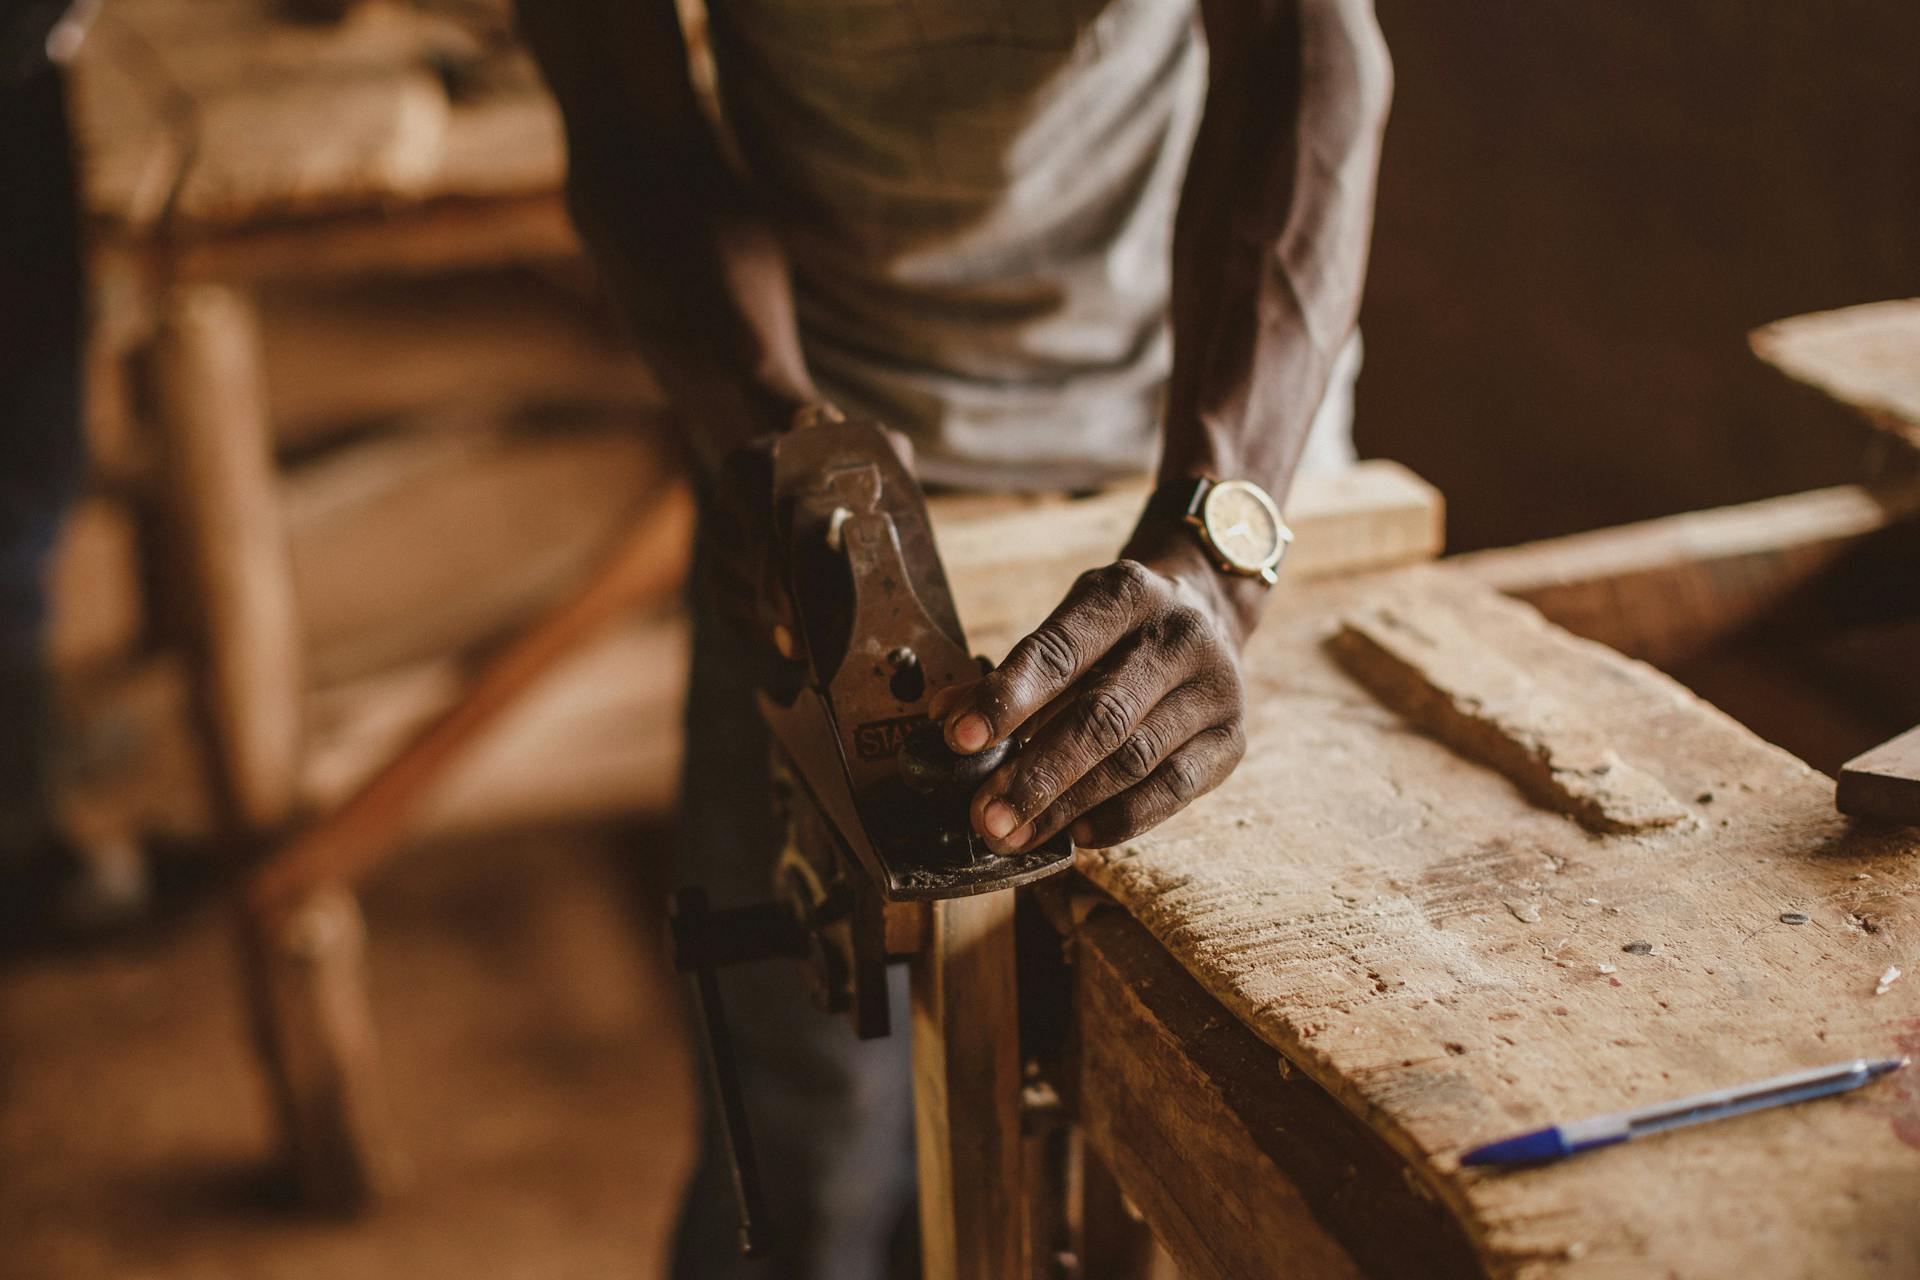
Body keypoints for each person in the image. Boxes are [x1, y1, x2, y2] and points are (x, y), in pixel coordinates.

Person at [517, 2, 1390, 1275]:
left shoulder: (1220, 492)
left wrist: (1216, 541)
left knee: (1233, 1128)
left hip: (1210, 432)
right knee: (805, 1151)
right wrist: (770, 425)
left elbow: (1308, 46)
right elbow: (620, 103)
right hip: (814, 448)